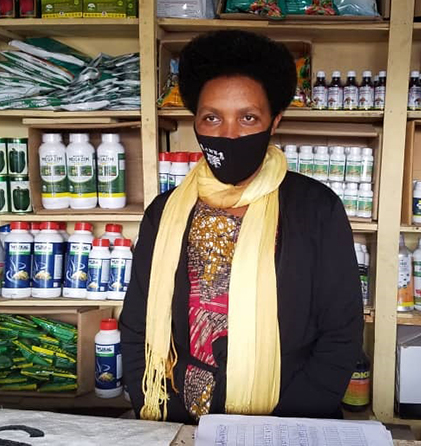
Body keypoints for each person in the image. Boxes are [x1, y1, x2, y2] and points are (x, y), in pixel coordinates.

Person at [120, 30, 363, 424]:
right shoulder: (164, 213)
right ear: (195, 121)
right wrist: (156, 406)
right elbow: (136, 325)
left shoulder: (316, 208)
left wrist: (286, 424)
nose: (229, 133)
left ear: (274, 121)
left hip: (289, 417)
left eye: (248, 117)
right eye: (212, 117)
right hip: (180, 415)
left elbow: (341, 335)